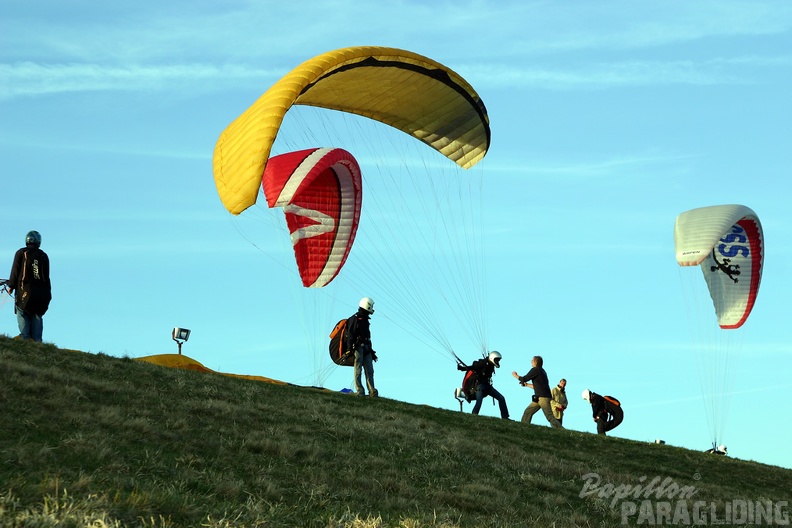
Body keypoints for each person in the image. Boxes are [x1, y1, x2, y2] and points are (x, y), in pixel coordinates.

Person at [6, 230, 51, 342]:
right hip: (42, 292)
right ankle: (37, 340)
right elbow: (47, 276)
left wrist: (11, 285)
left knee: (22, 310)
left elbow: (15, 271)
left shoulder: (22, 253)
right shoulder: (44, 256)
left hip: (25, 289)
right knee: (37, 314)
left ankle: (24, 336)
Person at [512, 356, 563, 428]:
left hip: (543, 398)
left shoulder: (535, 370)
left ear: (535, 362)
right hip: (540, 398)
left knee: (549, 417)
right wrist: (526, 385)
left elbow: (524, 378)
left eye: (532, 361)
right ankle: (523, 427)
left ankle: (561, 430)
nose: (531, 362)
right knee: (528, 412)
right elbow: (537, 386)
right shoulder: (542, 371)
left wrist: (515, 375)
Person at [457, 351, 509, 419]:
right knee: (479, 402)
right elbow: (473, 367)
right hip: (480, 387)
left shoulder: (490, 365)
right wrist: (463, 368)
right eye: (496, 360)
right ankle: (473, 416)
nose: (497, 362)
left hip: (488, 386)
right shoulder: (483, 363)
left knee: (501, 398)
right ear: (492, 358)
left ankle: (505, 417)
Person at [346, 297, 378, 397]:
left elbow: (368, 336)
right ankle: (360, 391)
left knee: (370, 370)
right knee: (358, 369)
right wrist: (349, 348)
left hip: (367, 348)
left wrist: (372, 352)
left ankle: (372, 391)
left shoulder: (365, 320)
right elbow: (350, 334)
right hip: (358, 347)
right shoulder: (354, 319)